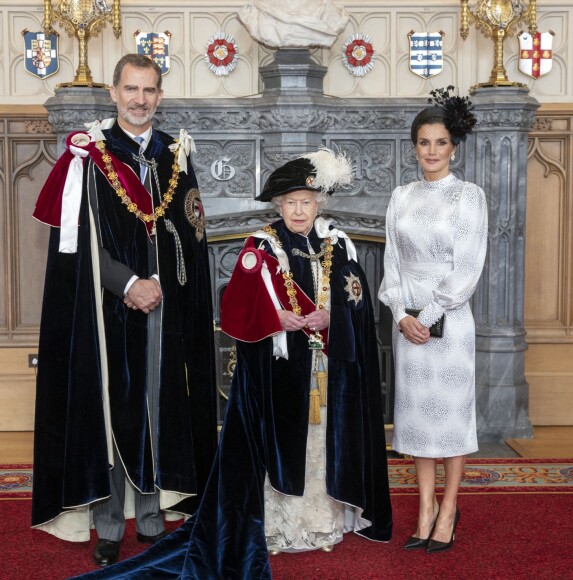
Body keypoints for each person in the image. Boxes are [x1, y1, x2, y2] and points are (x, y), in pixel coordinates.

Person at [74, 148, 393, 579]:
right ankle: (280, 528)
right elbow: (236, 310)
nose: (299, 211)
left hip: (324, 369)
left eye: (307, 202)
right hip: (276, 372)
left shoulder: (340, 244)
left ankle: (322, 523)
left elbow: (357, 301)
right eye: (291, 203)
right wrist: (275, 317)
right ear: (279, 206)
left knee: (320, 446)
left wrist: (333, 316)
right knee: (282, 447)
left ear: (320, 203)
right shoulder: (259, 247)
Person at [31, 53, 217, 567]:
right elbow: (79, 244)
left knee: (160, 407)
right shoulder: (89, 157)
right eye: (131, 90)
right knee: (115, 409)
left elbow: (190, 237)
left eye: (149, 91)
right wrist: (130, 283)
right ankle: (110, 523)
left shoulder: (173, 155)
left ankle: (154, 518)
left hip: (166, 307)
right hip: (106, 309)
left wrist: (164, 287)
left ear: (160, 95)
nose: (140, 100)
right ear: (113, 92)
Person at [379, 87, 487, 554]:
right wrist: (401, 314)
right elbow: (391, 263)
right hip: (410, 327)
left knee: (451, 421)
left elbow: (468, 266)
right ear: (414, 147)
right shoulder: (401, 196)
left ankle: (449, 508)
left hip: (450, 322)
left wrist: (428, 314)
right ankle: (424, 508)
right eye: (424, 142)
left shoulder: (469, 196)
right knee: (418, 423)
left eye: (440, 142)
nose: (432, 151)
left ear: (454, 147)